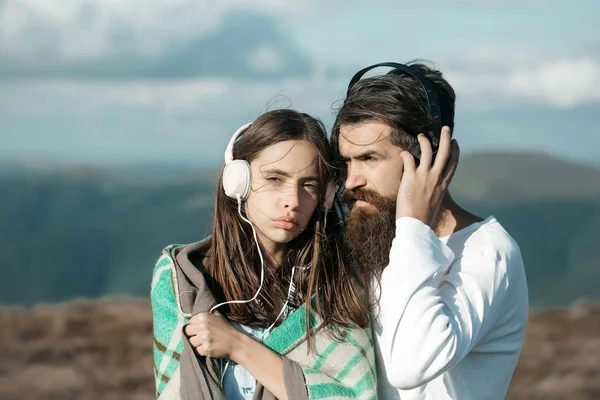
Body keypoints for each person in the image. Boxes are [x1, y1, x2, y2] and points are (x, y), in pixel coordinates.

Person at [331, 61, 529, 399]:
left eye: (369, 159)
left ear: (429, 159)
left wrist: (414, 226)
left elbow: (410, 367)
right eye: (346, 161)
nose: (351, 181)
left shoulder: (489, 252)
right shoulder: (377, 234)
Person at [151, 109, 377, 400]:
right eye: (274, 179)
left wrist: (238, 346)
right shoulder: (182, 279)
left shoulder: (342, 286)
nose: (292, 202)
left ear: (326, 196)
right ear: (238, 182)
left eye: (309, 185)